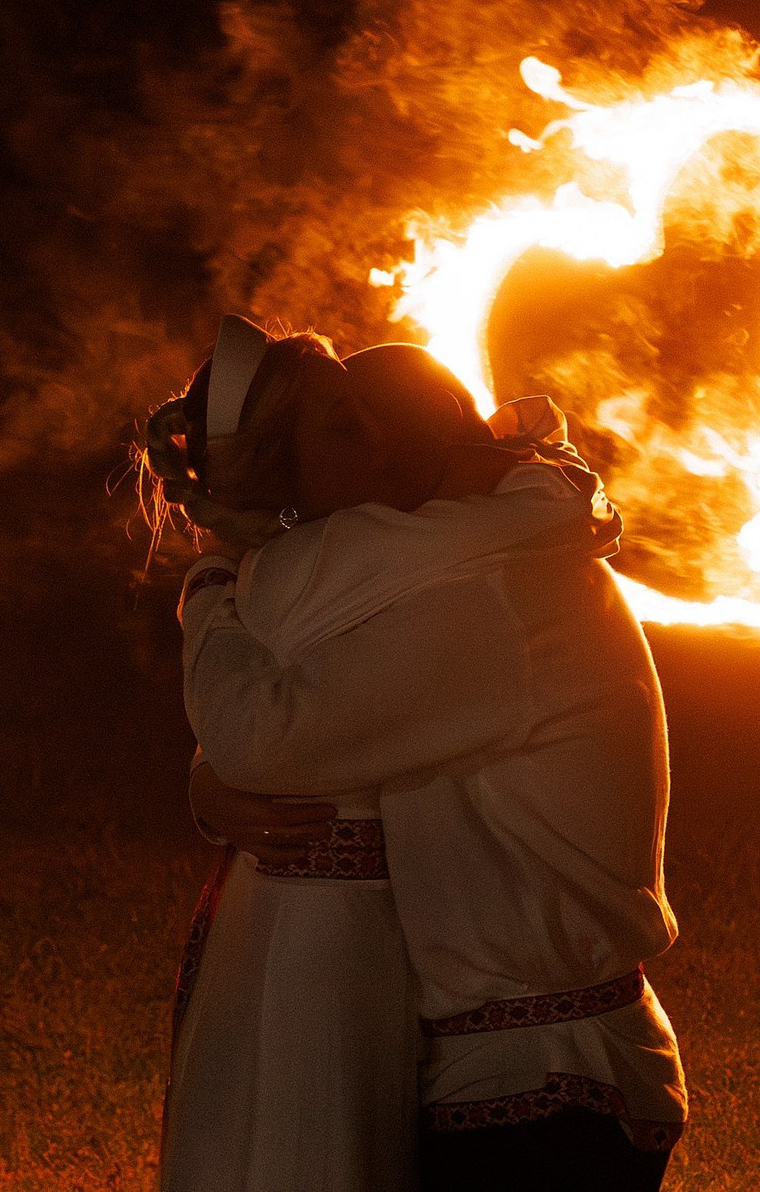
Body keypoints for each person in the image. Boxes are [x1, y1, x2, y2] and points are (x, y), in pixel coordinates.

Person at [166, 318, 686, 1192]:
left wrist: (212, 575)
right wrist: (209, 782)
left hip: (542, 1083)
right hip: (504, 1068)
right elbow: (322, 722)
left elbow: (267, 733)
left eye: (373, 420)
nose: (369, 443)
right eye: (345, 422)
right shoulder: (469, 568)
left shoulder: (489, 597)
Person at [145, 319, 430, 1192]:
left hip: (358, 931)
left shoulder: (283, 571)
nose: (377, 438)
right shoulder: (302, 573)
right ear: (282, 468)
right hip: (311, 942)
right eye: (343, 425)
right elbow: (255, 731)